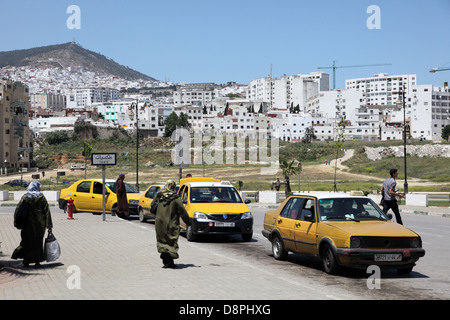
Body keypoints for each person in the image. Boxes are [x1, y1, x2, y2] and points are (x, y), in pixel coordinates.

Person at [12, 181, 53, 268]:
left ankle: (26, 260)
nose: (40, 188)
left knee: (26, 242)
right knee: (37, 243)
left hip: (27, 225)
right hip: (39, 225)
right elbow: (47, 212)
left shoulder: (25, 197)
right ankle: (37, 262)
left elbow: (18, 211)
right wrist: (49, 225)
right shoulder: (41, 197)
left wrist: (17, 223)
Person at [154, 180, 190, 268]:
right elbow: (182, 210)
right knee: (171, 241)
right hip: (171, 223)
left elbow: (152, 205)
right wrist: (188, 221)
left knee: (162, 240)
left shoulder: (159, 195)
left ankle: (165, 258)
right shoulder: (175, 198)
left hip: (159, 223)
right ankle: (169, 261)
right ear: (173, 187)